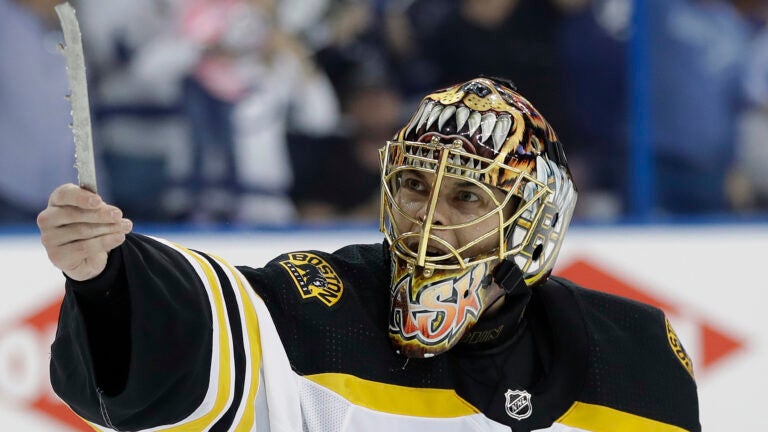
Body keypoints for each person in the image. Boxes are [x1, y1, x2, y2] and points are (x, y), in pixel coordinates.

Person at [38, 77, 700, 431]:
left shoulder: (632, 356)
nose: (428, 213)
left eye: (466, 197)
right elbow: (198, 324)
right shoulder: (317, 308)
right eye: (414, 185)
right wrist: (106, 278)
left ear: (532, 223)